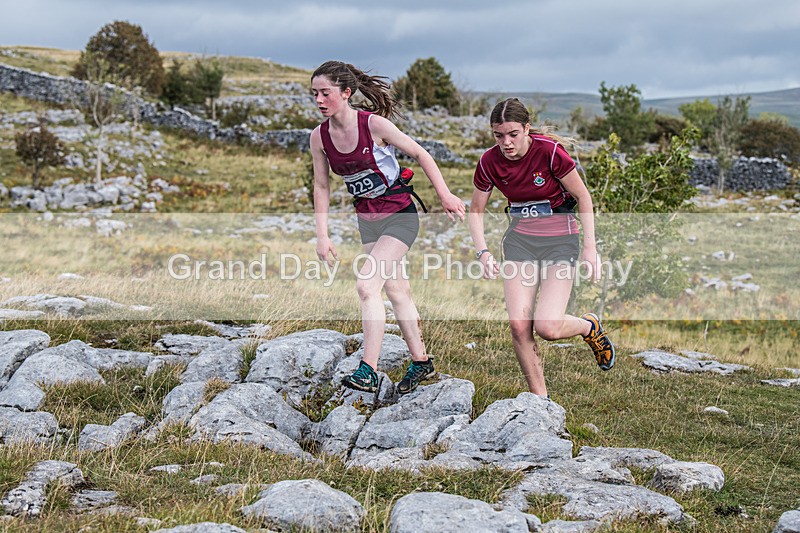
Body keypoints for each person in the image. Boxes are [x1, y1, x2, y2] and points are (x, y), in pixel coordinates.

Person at [310, 60, 465, 394]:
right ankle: (421, 362)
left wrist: (445, 194)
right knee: (395, 290)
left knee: (367, 286)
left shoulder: (374, 125)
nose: (319, 100)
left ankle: (369, 369)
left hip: (400, 214)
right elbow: (321, 187)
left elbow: (421, 154)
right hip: (368, 219)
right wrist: (322, 236)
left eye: (326, 93)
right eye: (315, 94)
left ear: (346, 92)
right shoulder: (319, 138)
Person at [468, 97, 615, 398]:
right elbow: (476, 210)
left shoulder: (549, 153)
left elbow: (584, 198)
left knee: (547, 327)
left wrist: (590, 249)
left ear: (526, 128)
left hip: (560, 241)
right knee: (519, 326)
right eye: (498, 135)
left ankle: (588, 327)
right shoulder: (488, 162)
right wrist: (482, 251)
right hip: (520, 242)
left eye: (513, 134)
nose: (506, 143)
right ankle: (540, 400)